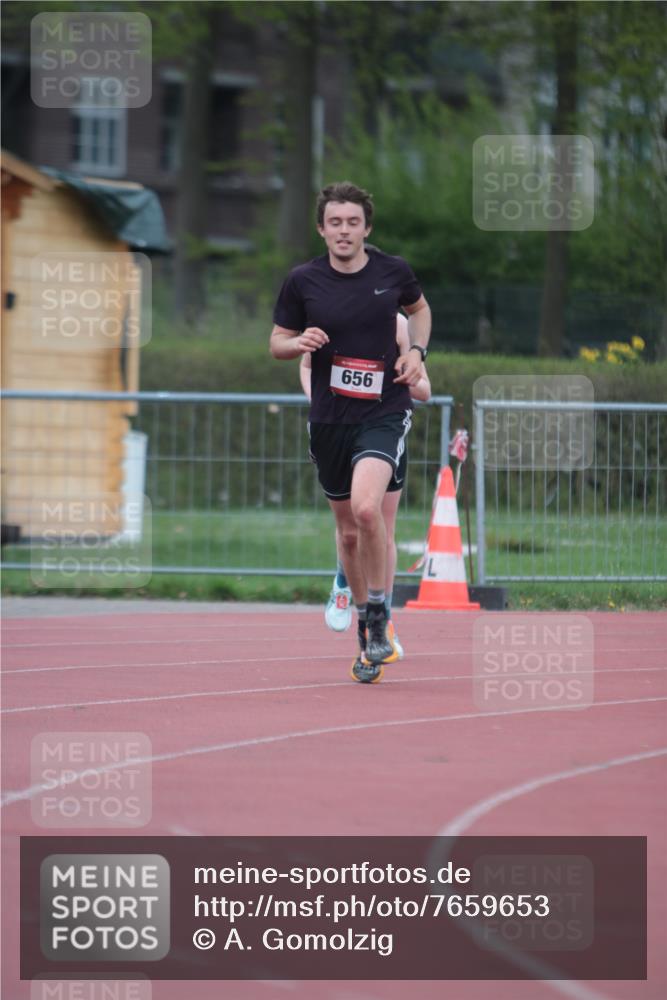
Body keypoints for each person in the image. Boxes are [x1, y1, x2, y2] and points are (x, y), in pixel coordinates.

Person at [270, 181, 431, 678]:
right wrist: (298, 343)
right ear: (322, 229)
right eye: (335, 222)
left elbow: (420, 310)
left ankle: (380, 614)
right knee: (346, 535)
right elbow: (276, 342)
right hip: (330, 419)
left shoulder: (392, 271)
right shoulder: (303, 282)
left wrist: (415, 353)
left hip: (383, 412)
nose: (344, 231)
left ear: (367, 228)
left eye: (353, 222)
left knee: (367, 509)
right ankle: (366, 625)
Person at [299, 312, 431, 658]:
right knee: (350, 530)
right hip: (339, 429)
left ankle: (382, 620)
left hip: (383, 430)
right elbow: (307, 366)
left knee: (380, 527)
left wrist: (404, 375)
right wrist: (319, 403)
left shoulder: (399, 325)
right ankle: (343, 581)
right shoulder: (329, 315)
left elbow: (425, 390)